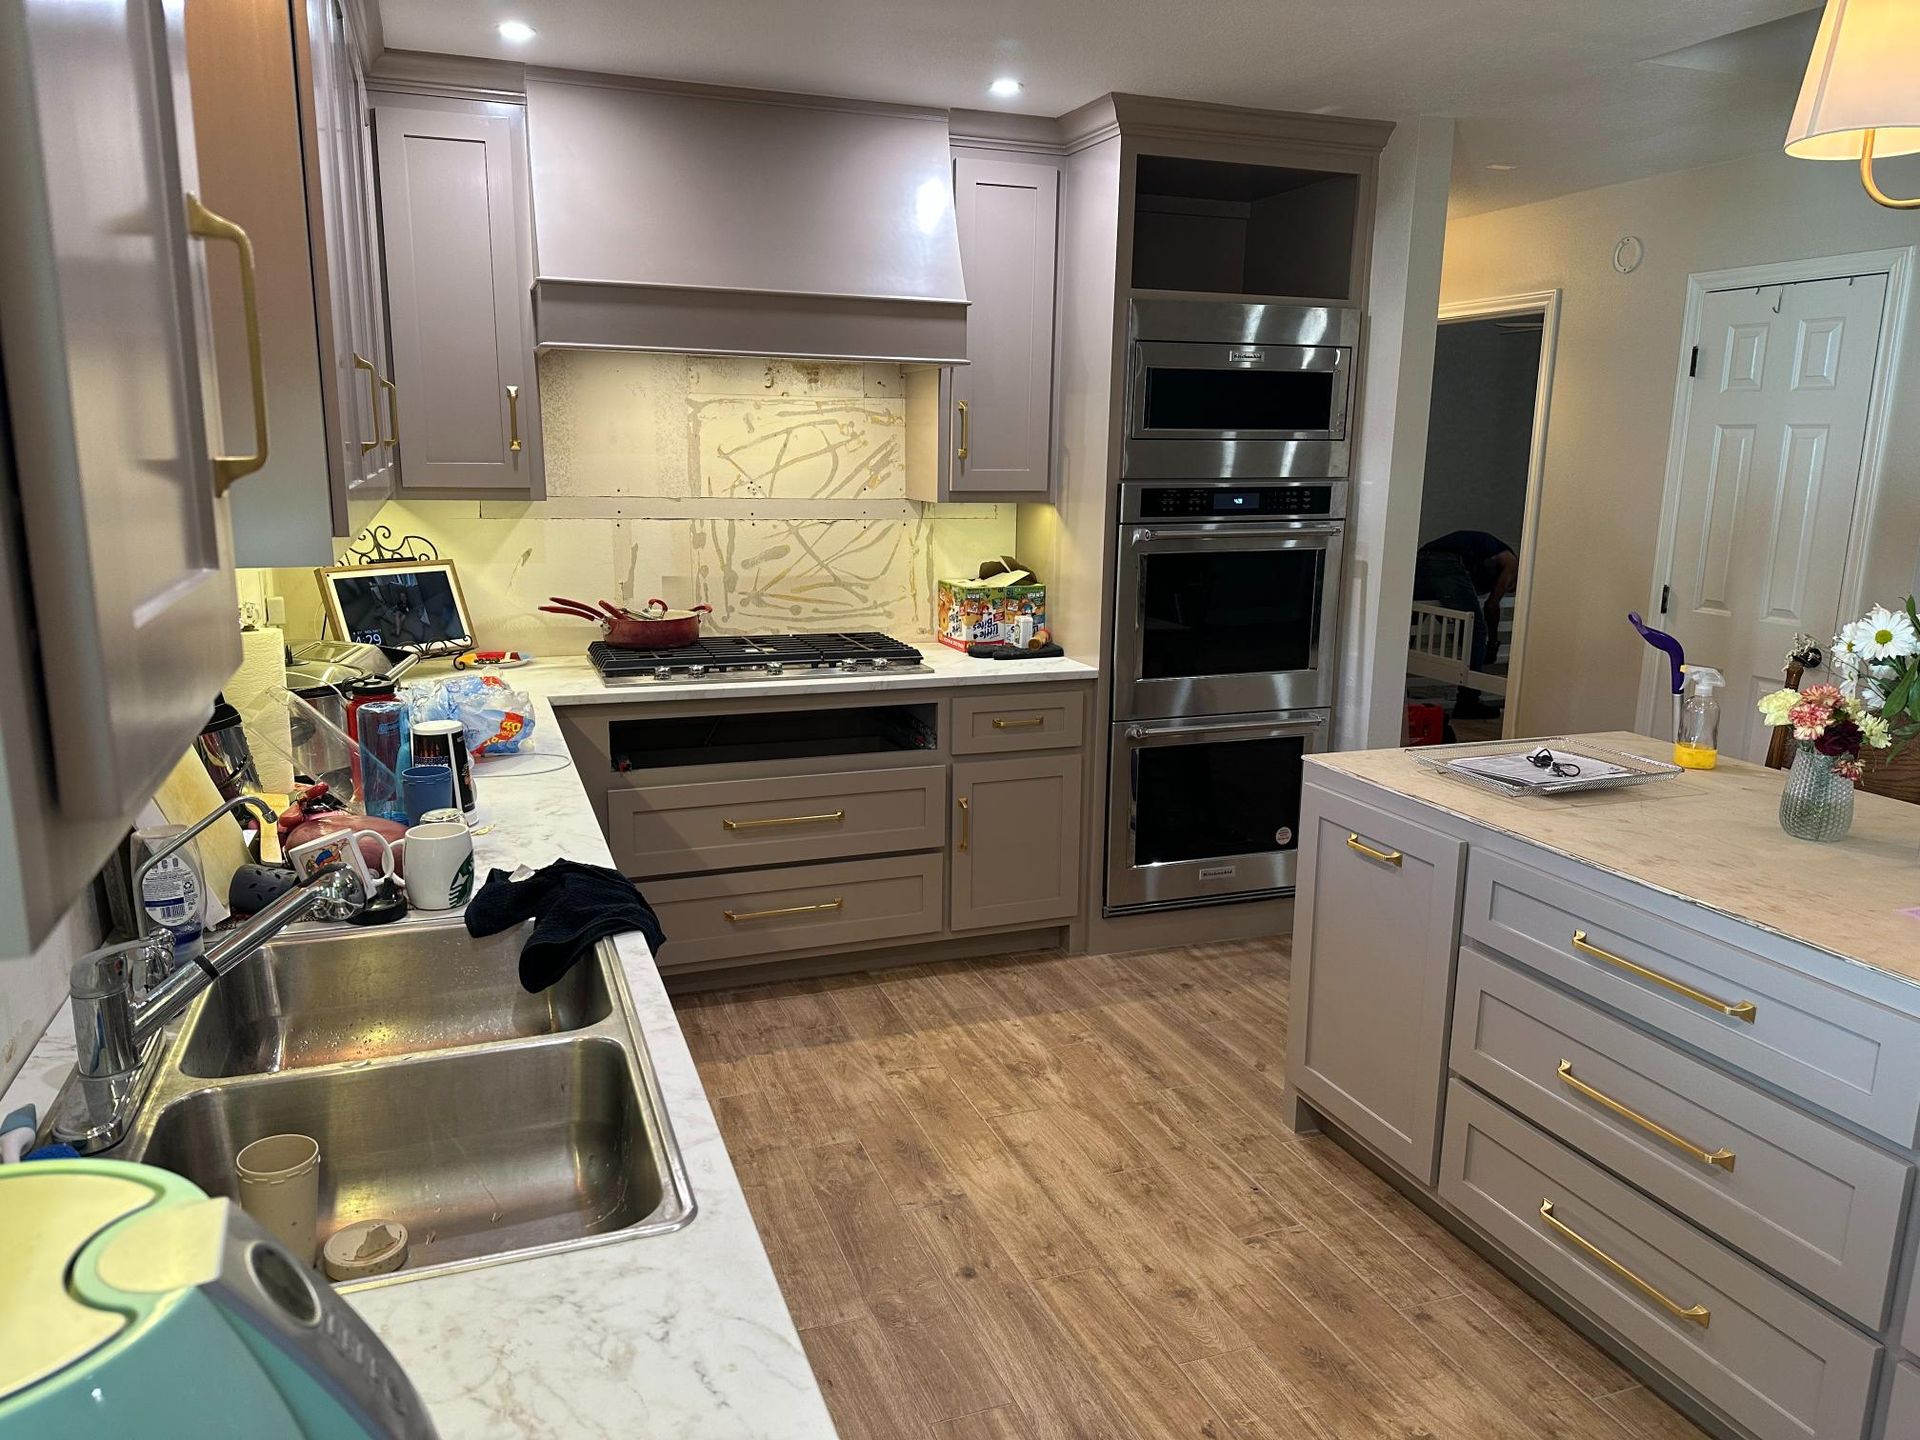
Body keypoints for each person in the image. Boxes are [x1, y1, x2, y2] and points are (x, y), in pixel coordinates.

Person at [1414, 530, 1518, 718]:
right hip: (1447, 563)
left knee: (1409, 621)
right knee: (1477, 630)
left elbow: (1451, 608)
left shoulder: (1480, 558)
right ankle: (1468, 701)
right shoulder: (1512, 563)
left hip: (1420, 560)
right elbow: (1492, 605)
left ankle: (1395, 691)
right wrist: (1492, 643)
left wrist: (1461, 641)